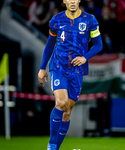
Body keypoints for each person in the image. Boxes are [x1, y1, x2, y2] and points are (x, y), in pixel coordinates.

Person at [37, 0, 103, 149]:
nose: (72, 1)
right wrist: (42, 68)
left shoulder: (90, 20)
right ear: (64, 1)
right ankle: (52, 145)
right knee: (61, 102)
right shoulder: (56, 20)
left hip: (77, 71)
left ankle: (57, 147)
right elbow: (50, 44)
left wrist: (85, 57)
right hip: (58, 67)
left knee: (67, 111)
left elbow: (99, 44)